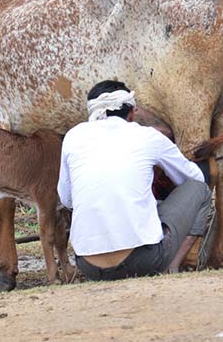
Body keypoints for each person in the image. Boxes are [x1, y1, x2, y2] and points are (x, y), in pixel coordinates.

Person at [57, 80, 211, 280]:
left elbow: (67, 199)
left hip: (89, 266)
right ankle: (170, 270)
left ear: (92, 112)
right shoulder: (147, 136)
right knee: (200, 190)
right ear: (131, 113)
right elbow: (193, 178)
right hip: (143, 262)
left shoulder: (72, 137)